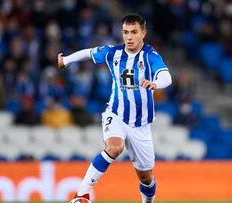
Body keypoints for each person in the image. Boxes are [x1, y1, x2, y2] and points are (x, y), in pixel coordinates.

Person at [57, 14, 172, 203]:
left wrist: (155, 84)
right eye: (126, 32)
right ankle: (82, 194)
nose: (129, 37)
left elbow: (167, 76)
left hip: (141, 125)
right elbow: (89, 52)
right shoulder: (113, 53)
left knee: (146, 178)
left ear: (143, 33)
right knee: (114, 147)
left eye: (134, 32)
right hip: (116, 114)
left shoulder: (150, 55)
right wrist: (66, 60)